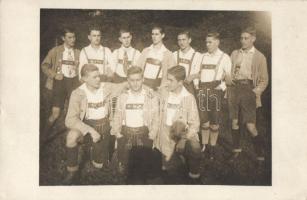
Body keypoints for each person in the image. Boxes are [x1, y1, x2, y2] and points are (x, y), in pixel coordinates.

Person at [63, 64, 126, 185]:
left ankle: (97, 155)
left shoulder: (106, 87)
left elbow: (125, 85)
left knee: (99, 165)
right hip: (87, 126)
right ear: (85, 78)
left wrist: (153, 90)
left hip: (104, 125)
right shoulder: (78, 93)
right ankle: (72, 169)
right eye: (94, 77)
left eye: (99, 76)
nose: (98, 79)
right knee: (71, 136)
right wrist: (90, 131)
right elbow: (70, 120)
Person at [227, 27, 268, 168]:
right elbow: (228, 71)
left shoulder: (259, 57)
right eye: (241, 38)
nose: (243, 41)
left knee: (250, 125)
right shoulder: (234, 53)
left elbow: (264, 80)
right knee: (234, 122)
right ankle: (236, 151)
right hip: (234, 89)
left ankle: (260, 154)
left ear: (253, 39)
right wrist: (227, 79)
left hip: (248, 90)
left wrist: (255, 92)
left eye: (246, 38)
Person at [111, 66, 159, 184]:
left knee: (143, 169)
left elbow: (156, 118)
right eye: (132, 80)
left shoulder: (149, 96)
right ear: (128, 81)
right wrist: (117, 133)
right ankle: (123, 163)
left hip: (143, 132)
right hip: (126, 131)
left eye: (138, 80)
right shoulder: (123, 96)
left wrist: (152, 134)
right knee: (124, 168)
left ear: (143, 79)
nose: (135, 83)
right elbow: (117, 116)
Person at [155, 65, 201, 183]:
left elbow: (195, 124)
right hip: (166, 132)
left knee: (195, 147)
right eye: (167, 79)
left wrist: (183, 140)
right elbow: (151, 95)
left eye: (171, 80)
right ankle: (171, 159)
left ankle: (194, 173)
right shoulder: (164, 93)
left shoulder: (188, 97)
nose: (167, 82)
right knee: (170, 170)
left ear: (180, 82)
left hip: (182, 132)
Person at [41, 27, 80, 143]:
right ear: (63, 38)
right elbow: (44, 66)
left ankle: (73, 138)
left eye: (74, 37)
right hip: (60, 83)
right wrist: (54, 75)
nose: (73, 39)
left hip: (73, 83)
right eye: (69, 37)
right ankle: (43, 137)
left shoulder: (78, 52)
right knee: (56, 113)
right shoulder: (55, 51)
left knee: (74, 112)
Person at [196, 32, 232, 159]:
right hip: (202, 90)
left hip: (216, 91)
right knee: (204, 121)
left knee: (214, 121)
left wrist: (221, 88)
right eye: (206, 42)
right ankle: (204, 145)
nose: (207, 45)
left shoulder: (224, 57)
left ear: (217, 42)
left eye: (210, 42)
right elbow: (197, 73)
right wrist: (197, 86)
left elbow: (228, 78)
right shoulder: (202, 56)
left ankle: (212, 146)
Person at [136, 26, 176, 90]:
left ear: (162, 35)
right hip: (143, 85)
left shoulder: (168, 54)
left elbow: (172, 75)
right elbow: (137, 68)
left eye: (157, 34)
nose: (154, 37)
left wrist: (164, 87)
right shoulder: (146, 51)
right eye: (153, 34)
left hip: (159, 87)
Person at [173, 30, 202, 95]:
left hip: (190, 88)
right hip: (176, 87)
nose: (181, 42)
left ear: (189, 40)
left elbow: (204, 74)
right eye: (179, 40)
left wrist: (193, 76)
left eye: (184, 40)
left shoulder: (198, 56)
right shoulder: (174, 54)